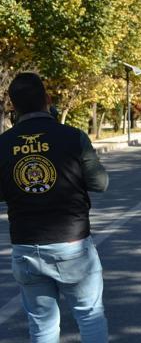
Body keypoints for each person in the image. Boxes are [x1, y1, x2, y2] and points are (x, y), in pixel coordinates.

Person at [0, 73, 110, 343]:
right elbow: (100, 183)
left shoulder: (2, 144)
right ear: (47, 99)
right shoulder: (73, 137)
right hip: (72, 246)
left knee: (42, 325)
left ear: (13, 106)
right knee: (89, 315)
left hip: (25, 247)